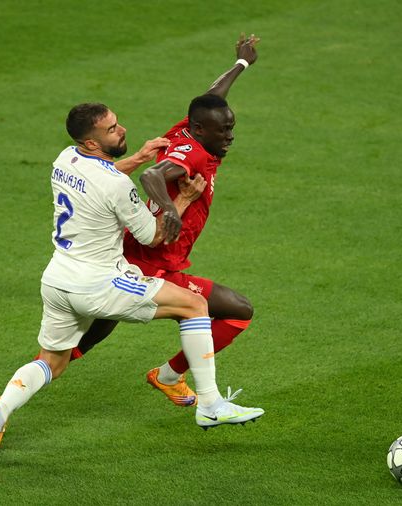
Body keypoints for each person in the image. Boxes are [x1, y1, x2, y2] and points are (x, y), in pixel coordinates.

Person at [0, 101, 263, 462]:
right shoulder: (118, 187)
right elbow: (153, 236)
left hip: (57, 280)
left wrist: (139, 157)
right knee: (194, 305)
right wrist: (183, 200)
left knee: (53, 362)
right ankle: (210, 403)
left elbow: (102, 180)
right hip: (100, 282)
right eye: (111, 129)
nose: (121, 129)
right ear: (92, 143)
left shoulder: (65, 160)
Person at [68, 33, 261, 407]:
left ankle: (17, 392)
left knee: (89, 335)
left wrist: (241, 64)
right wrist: (172, 207)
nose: (231, 136)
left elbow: (212, 98)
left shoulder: (189, 130)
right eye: (225, 131)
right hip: (151, 265)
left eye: (231, 127)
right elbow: (153, 176)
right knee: (236, 311)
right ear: (203, 131)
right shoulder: (194, 156)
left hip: (140, 254)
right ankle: (181, 383)